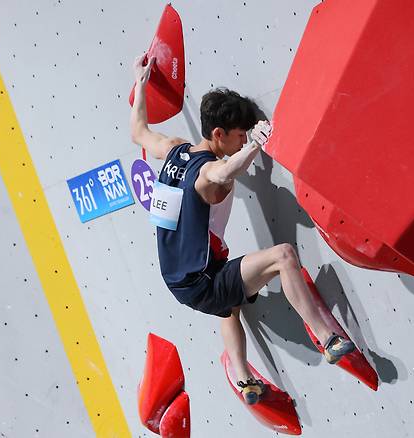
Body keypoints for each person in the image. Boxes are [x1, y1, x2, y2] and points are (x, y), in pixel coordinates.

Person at [130, 54, 355, 405]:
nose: (242, 140)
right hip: (202, 281)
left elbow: (138, 131)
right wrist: (254, 146)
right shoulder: (207, 173)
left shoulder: (175, 150)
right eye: (239, 135)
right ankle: (328, 339)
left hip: (179, 279)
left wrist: (140, 83)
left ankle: (243, 377)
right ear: (218, 134)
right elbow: (220, 174)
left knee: (230, 304)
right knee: (283, 256)